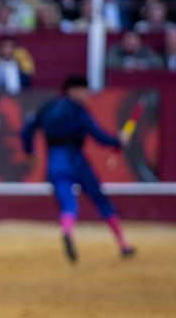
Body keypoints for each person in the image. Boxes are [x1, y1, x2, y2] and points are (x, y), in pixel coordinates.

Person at [21, 75, 135, 262]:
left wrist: (30, 151)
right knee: (101, 201)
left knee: (68, 203)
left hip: (55, 162)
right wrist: (119, 140)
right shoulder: (79, 111)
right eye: (83, 90)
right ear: (73, 91)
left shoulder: (48, 108)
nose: (87, 95)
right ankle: (123, 244)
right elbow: (98, 136)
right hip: (77, 161)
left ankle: (67, 231)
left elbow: (26, 131)